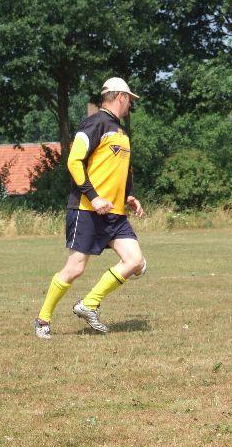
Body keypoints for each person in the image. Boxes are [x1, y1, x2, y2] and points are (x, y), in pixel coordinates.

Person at [34, 77, 147, 339]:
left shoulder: (121, 132)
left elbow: (123, 170)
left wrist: (129, 195)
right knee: (75, 268)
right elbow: (74, 161)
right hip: (87, 209)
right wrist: (94, 197)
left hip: (115, 213)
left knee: (135, 261)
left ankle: (88, 305)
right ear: (121, 97)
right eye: (129, 99)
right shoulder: (94, 123)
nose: (131, 105)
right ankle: (42, 319)